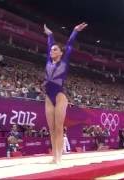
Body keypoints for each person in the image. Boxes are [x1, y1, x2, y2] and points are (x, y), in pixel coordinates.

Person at [43, 22, 87, 164]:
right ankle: (54, 156)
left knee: (58, 127)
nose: (52, 51)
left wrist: (74, 30)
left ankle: (59, 157)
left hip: (59, 96)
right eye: (51, 50)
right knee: (51, 129)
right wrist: (50, 34)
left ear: (61, 53)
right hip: (48, 97)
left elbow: (69, 45)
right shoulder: (49, 61)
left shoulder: (64, 61)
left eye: (55, 50)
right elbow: (50, 44)